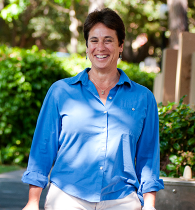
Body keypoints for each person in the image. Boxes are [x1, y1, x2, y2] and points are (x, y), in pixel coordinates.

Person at [22, 8, 164, 210]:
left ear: (121, 46)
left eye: (108, 40)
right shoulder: (60, 92)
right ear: (87, 46)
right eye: (94, 41)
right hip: (67, 196)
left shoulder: (143, 98)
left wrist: (149, 204)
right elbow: (43, 147)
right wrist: (33, 201)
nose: (100, 47)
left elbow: (148, 156)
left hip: (121, 197)